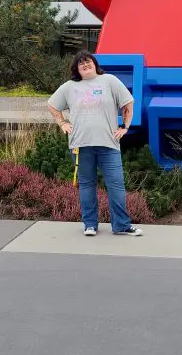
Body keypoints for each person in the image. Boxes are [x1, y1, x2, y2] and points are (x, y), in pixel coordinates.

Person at [47, 50, 142, 237]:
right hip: (81, 145)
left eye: (88, 61)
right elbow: (52, 105)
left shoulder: (110, 81)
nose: (85, 64)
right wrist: (63, 123)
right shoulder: (69, 87)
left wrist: (125, 126)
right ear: (77, 69)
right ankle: (90, 225)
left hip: (109, 143)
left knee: (116, 185)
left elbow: (128, 103)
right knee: (87, 185)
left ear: (94, 64)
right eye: (80, 63)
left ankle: (121, 225)